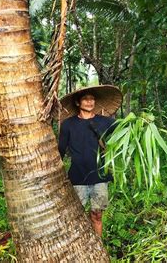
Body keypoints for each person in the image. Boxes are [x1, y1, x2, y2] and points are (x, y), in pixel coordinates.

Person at [58, 85, 123, 237]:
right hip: (77, 178)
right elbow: (60, 150)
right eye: (86, 99)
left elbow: (124, 129)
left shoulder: (105, 122)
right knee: (76, 216)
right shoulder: (68, 124)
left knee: (97, 215)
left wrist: (139, 121)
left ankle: (98, 247)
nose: (90, 102)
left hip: (100, 177)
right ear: (77, 102)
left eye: (92, 99)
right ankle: (81, 247)